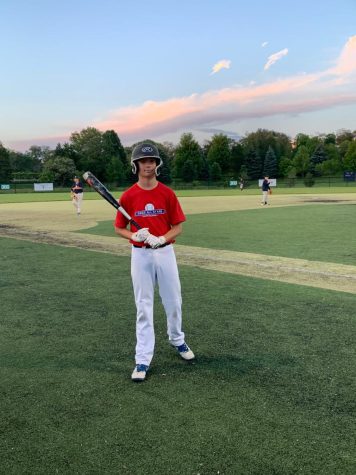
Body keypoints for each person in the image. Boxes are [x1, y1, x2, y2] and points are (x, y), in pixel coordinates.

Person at [114, 142, 195, 382]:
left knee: (173, 301)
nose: (148, 165)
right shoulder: (128, 196)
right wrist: (133, 235)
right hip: (140, 255)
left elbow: (177, 227)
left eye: (152, 161)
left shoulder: (167, 193)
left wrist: (162, 238)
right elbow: (119, 227)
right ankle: (142, 358)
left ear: (157, 165)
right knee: (144, 306)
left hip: (165, 252)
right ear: (136, 165)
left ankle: (177, 340)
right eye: (143, 161)